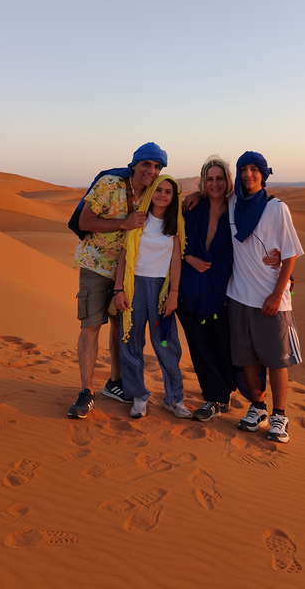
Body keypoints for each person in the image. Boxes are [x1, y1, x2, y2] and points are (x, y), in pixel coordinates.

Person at [68, 142, 167, 419]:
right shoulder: (109, 184)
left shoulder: (152, 191)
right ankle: (86, 392)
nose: (151, 170)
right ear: (134, 164)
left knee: (119, 326)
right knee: (90, 327)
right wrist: (122, 223)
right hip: (96, 265)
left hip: (128, 273)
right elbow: (85, 221)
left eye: (157, 167)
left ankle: (114, 382)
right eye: (147, 164)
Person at [227, 151, 304, 443]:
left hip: (271, 299)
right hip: (238, 296)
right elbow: (211, 195)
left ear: (263, 173)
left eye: (254, 169)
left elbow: (290, 254)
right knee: (246, 357)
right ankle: (258, 407)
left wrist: (276, 294)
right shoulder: (233, 204)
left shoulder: (276, 208)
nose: (248, 174)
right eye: (243, 169)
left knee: (276, 360)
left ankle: (279, 414)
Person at [114, 175, 192, 420]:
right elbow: (124, 256)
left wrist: (174, 295)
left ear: (173, 198)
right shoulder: (138, 220)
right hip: (134, 284)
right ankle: (138, 396)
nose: (162, 195)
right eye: (159, 190)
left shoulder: (175, 225)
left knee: (167, 344)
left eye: (168, 192)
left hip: (161, 291)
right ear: (151, 193)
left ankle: (174, 398)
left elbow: (177, 262)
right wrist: (119, 289)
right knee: (131, 342)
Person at [177, 157, 237, 421]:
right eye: (209, 179)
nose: (214, 184)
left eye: (219, 178)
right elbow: (174, 239)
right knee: (199, 345)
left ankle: (222, 394)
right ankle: (213, 398)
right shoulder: (193, 208)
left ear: (227, 181)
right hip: (191, 288)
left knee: (222, 345)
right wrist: (188, 257)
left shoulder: (237, 210)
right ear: (203, 182)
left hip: (223, 291)